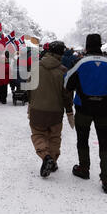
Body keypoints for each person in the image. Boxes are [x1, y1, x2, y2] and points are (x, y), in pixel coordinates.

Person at [64, 34, 107, 194]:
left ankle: (84, 168)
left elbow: (67, 84)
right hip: (104, 109)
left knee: (82, 139)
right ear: (100, 45)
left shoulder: (79, 63)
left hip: (83, 108)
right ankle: (106, 178)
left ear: (87, 46)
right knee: (104, 142)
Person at [28, 41, 74, 177]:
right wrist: (69, 111)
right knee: (54, 137)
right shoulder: (63, 71)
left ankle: (45, 156)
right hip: (56, 111)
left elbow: (28, 87)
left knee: (38, 134)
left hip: (37, 109)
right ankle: (52, 161)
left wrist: (31, 103)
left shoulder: (35, 67)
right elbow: (67, 94)